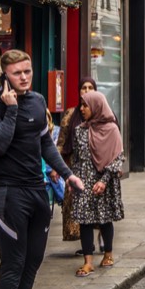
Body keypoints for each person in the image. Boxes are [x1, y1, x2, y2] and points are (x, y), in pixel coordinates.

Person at [0, 50, 84, 289]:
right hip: (9, 194)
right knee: (12, 263)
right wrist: (10, 110)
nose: (24, 77)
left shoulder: (38, 101)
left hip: (38, 191)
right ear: (4, 75)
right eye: (16, 73)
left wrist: (67, 175)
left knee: (34, 259)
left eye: (27, 71)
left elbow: (45, 144)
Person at [70, 91, 125, 277]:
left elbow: (118, 158)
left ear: (96, 106)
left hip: (105, 181)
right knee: (85, 221)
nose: (82, 109)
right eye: (81, 105)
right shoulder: (79, 130)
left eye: (86, 105)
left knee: (104, 219)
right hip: (84, 180)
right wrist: (73, 179)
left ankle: (108, 254)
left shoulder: (112, 129)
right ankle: (88, 261)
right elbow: (76, 158)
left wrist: (104, 180)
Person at [58, 78, 99, 244]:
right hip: (76, 167)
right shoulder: (71, 114)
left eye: (90, 87)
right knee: (78, 208)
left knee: (98, 208)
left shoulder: (102, 113)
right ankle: (86, 243)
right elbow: (61, 141)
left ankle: (103, 236)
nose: (87, 90)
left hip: (97, 167)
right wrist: (57, 167)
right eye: (84, 88)